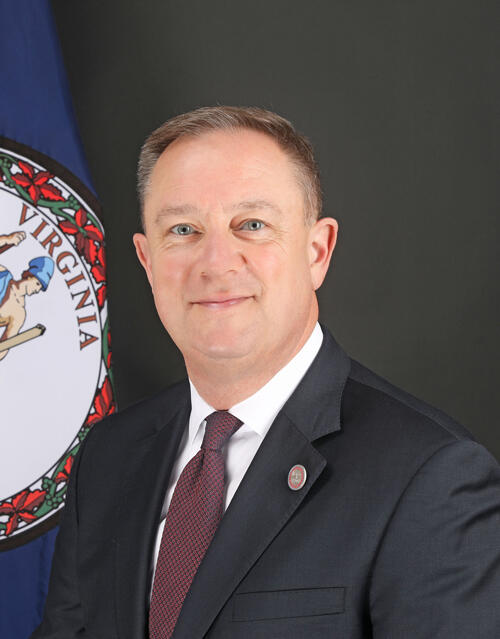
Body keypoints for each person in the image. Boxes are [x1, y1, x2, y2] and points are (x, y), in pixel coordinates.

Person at [33, 106, 500, 638]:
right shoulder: (108, 455)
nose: (216, 262)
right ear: (146, 261)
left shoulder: (428, 475)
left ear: (317, 251)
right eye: (183, 229)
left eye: (251, 225)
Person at [0, 234, 54, 361]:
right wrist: (7, 240)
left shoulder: (19, 314)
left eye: (40, 288)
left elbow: (5, 345)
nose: (37, 290)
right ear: (29, 276)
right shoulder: (3, 274)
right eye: (37, 283)